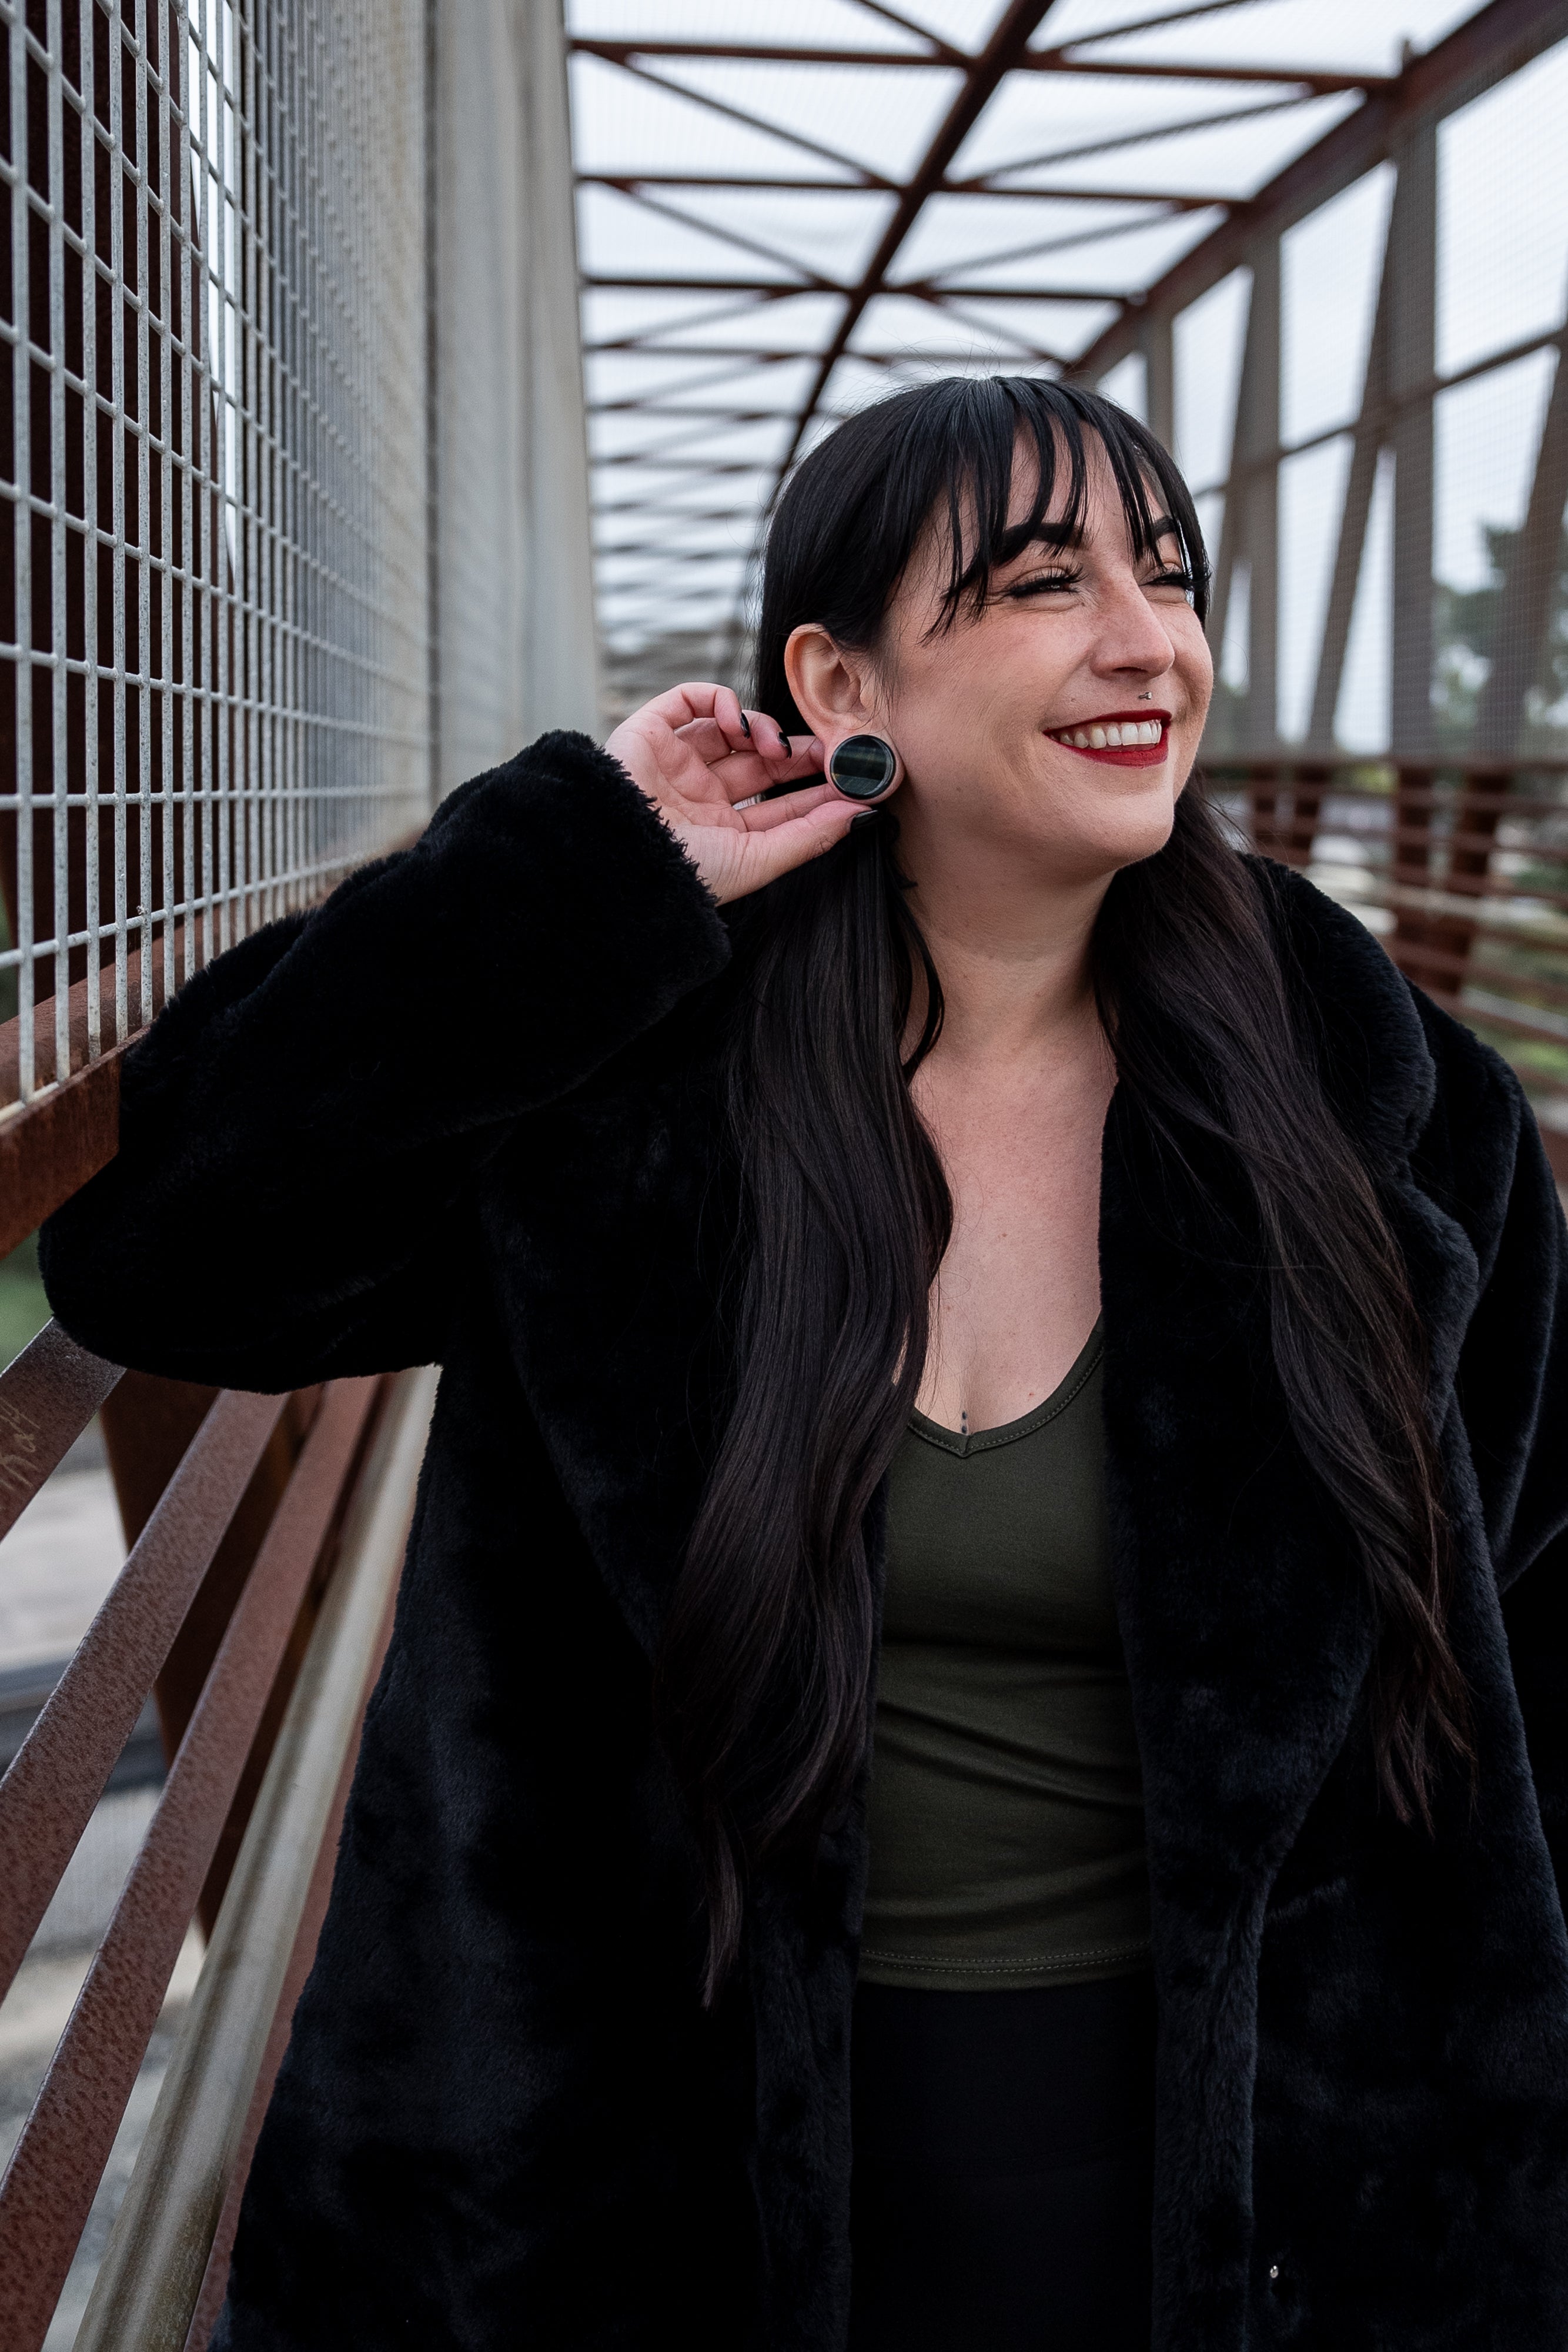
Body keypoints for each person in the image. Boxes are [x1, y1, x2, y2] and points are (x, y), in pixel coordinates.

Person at [41, 377, 1568, 2352]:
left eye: (1167, 576)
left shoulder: (1375, 1100)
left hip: (1266, 2168)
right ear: (836, 673)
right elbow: (170, 1262)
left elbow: (1535, 1601)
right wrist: (584, 865)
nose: (1143, 641)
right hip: (644, 2171)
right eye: (1040, 585)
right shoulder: (634, 1087)